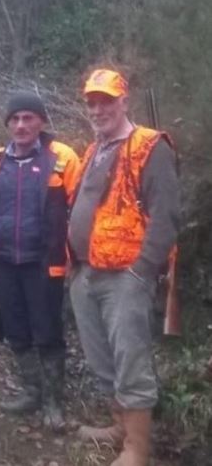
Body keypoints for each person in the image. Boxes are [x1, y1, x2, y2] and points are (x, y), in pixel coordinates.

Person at [69, 69, 180, 465]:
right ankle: (119, 426)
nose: (98, 109)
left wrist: (142, 271)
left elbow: (167, 216)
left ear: (124, 101)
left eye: (106, 100)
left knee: (131, 360)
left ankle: (138, 449)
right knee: (102, 358)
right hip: (86, 272)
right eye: (92, 102)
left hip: (126, 276)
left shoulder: (150, 146)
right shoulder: (94, 148)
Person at [0, 92, 80, 430]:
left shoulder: (62, 157)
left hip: (44, 260)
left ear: (41, 121)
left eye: (28, 118)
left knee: (48, 330)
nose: (21, 125)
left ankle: (53, 404)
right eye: (15, 119)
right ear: (7, 123)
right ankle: (32, 391)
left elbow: (79, 208)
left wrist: (76, 253)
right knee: (16, 328)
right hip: (3, 259)